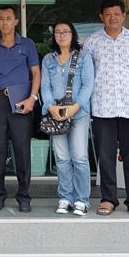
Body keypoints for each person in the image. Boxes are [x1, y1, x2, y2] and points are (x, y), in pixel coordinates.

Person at [83, 0, 129, 217]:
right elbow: (86, 73)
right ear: (101, 17)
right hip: (103, 107)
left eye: (117, 14)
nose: (113, 18)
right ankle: (108, 199)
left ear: (124, 16)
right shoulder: (91, 42)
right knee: (106, 156)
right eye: (108, 14)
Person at [0, 6, 40, 213]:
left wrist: (32, 98)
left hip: (21, 100)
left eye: (8, 18)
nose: (5, 22)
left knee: (22, 150)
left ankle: (24, 196)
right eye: (1, 19)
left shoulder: (28, 44)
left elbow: (36, 73)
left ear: (16, 22)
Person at [41, 21, 95, 216]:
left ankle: (82, 200)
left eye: (65, 32)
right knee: (62, 158)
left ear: (73, 34)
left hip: (78, 113)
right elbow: (45, 86)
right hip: (56, 114)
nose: (61, 35)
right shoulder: (48, 59)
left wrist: (75, 107)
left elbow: (88, 84)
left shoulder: (84, 57)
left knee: (79, 157)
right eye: (58, 32)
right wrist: (50, 107)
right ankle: (65, 197)